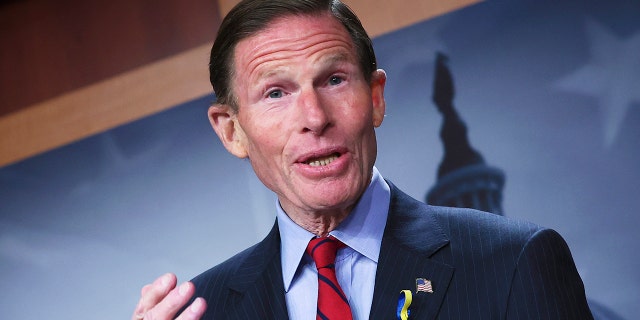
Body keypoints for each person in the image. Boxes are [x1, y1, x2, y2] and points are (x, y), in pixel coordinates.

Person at [131, 0, 593, 319]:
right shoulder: (201, 311)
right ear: (232, 131)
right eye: (275, 93)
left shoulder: (513, 263)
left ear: (375, 98)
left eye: (333, 80)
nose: (314, 117)